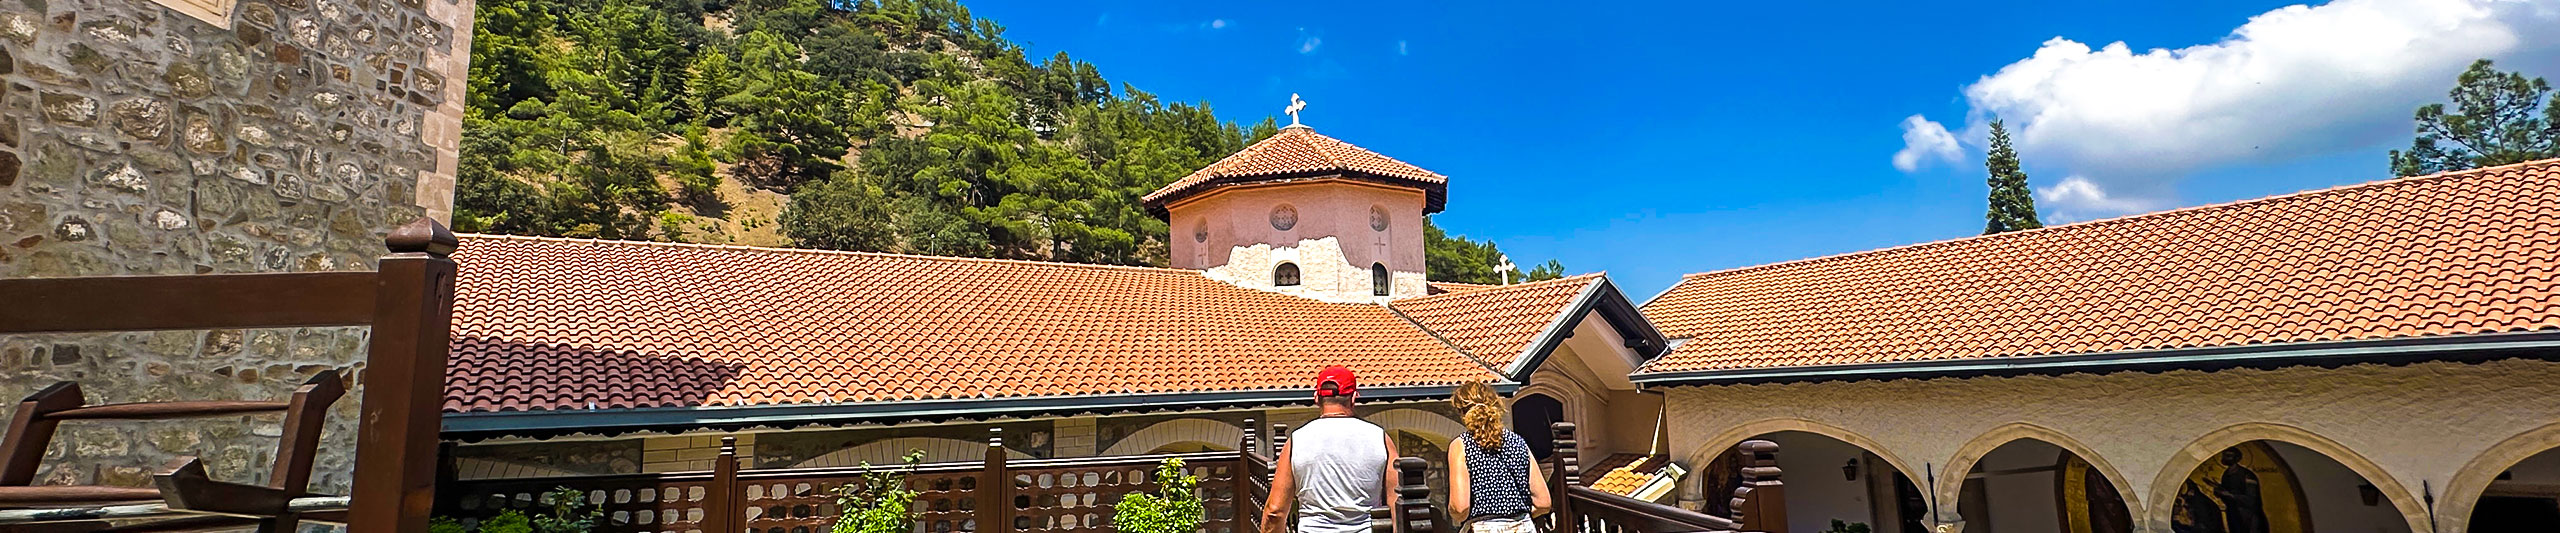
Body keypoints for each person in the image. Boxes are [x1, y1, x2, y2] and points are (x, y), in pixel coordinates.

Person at [1263, 366, 1402, 533]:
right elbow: (1398, 504)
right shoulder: (1381, 438)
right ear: (1353, 398)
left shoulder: (1297, 441)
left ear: (1316, 398)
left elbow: (1275, 512)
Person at [1445, 381, 1549, 533]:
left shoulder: (1461, 446)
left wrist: (1452, 512)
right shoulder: (1518, 442)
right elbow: (1543, 503)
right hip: (1523, 526)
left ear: (1462, 413)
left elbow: (1460, 508)